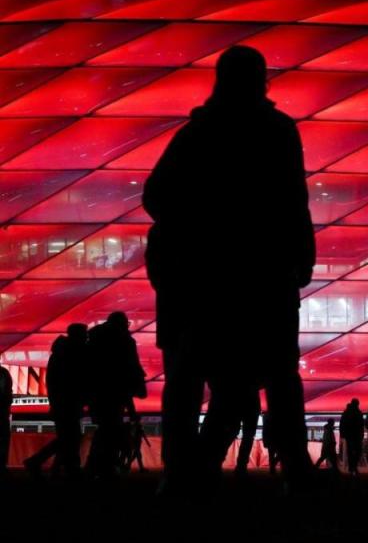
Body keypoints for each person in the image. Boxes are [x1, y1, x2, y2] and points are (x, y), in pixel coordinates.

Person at [145, 45, 315, 490]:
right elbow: (296, 201)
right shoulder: (278, 132)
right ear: (261, 82)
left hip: (202, 277)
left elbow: (155, 196)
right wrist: (302, 255)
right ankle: (294, 466)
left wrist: (194, 226)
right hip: (265, 274)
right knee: (276, 373)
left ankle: (183, 471)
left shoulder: (197, 134)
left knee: (190, 375)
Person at [84, 312, 147, 480]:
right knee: (111, 428)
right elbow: (130, 369)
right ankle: (105, 466)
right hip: (116, 392)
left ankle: (95, 466)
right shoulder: (125, 342)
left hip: (97, 392)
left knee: (105, 428)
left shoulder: (93, 340)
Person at [25, 324, 90, 477]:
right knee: (70, 437)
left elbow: (55, 381)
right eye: (84, 334)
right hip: (68, 402)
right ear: (77, 336)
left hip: (61, 402)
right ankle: (46, 463)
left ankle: (56, 465)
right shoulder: (72, 353)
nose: (86, 337)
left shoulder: (61, 353)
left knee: (68, 437)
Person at [339, 399, 364, 476]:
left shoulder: (346, 412)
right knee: (357, 451)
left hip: (349, 435)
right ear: (357, 404)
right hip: (357, 435)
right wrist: (361, 434)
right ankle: (354, 467)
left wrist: (343, 434)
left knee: (350, 452)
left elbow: (342, 424)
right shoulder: (358, 413)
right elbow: (361, 425)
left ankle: (351, 467)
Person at [0, 366, 11, 475]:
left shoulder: (4, 373)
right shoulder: (4, 373)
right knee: (3, 440)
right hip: (2, 414)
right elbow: (7, 394)